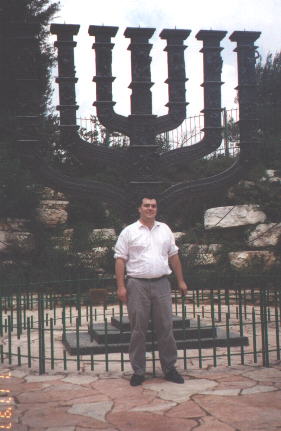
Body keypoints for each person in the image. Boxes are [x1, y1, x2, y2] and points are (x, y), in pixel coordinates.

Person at [114, 196, 188, 386]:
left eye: (153, 206)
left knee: (166, 327)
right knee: (138, 329)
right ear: (139, 208)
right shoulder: (129, 231)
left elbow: (174, 256)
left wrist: (180, 280)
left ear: (156, 209)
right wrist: (121, 286)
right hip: (137, 285)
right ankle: (138, 371)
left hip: (162, 283)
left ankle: (170, 368)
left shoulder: (165, 229)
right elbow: (120, 259)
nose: (150, 208)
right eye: (146, 205)